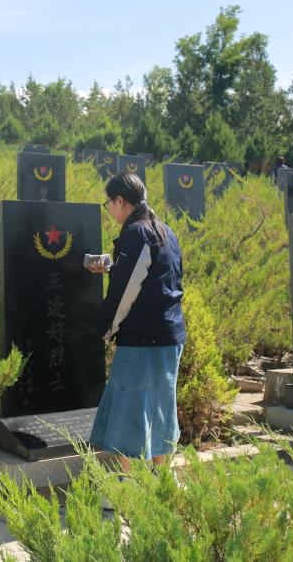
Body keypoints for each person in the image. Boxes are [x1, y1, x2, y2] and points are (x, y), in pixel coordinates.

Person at [86, 173, 185, 477]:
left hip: (142, 337)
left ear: (121, 201)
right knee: (160, 406)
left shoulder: (136, 233)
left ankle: (124, 484)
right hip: (169, 334)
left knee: (127, 409)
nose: (110, 211)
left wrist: (105, 329)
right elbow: (160, 279)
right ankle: (163, 478)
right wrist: (113, 266)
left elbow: (126, 293)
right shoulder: (165, 231)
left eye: (109, 204)